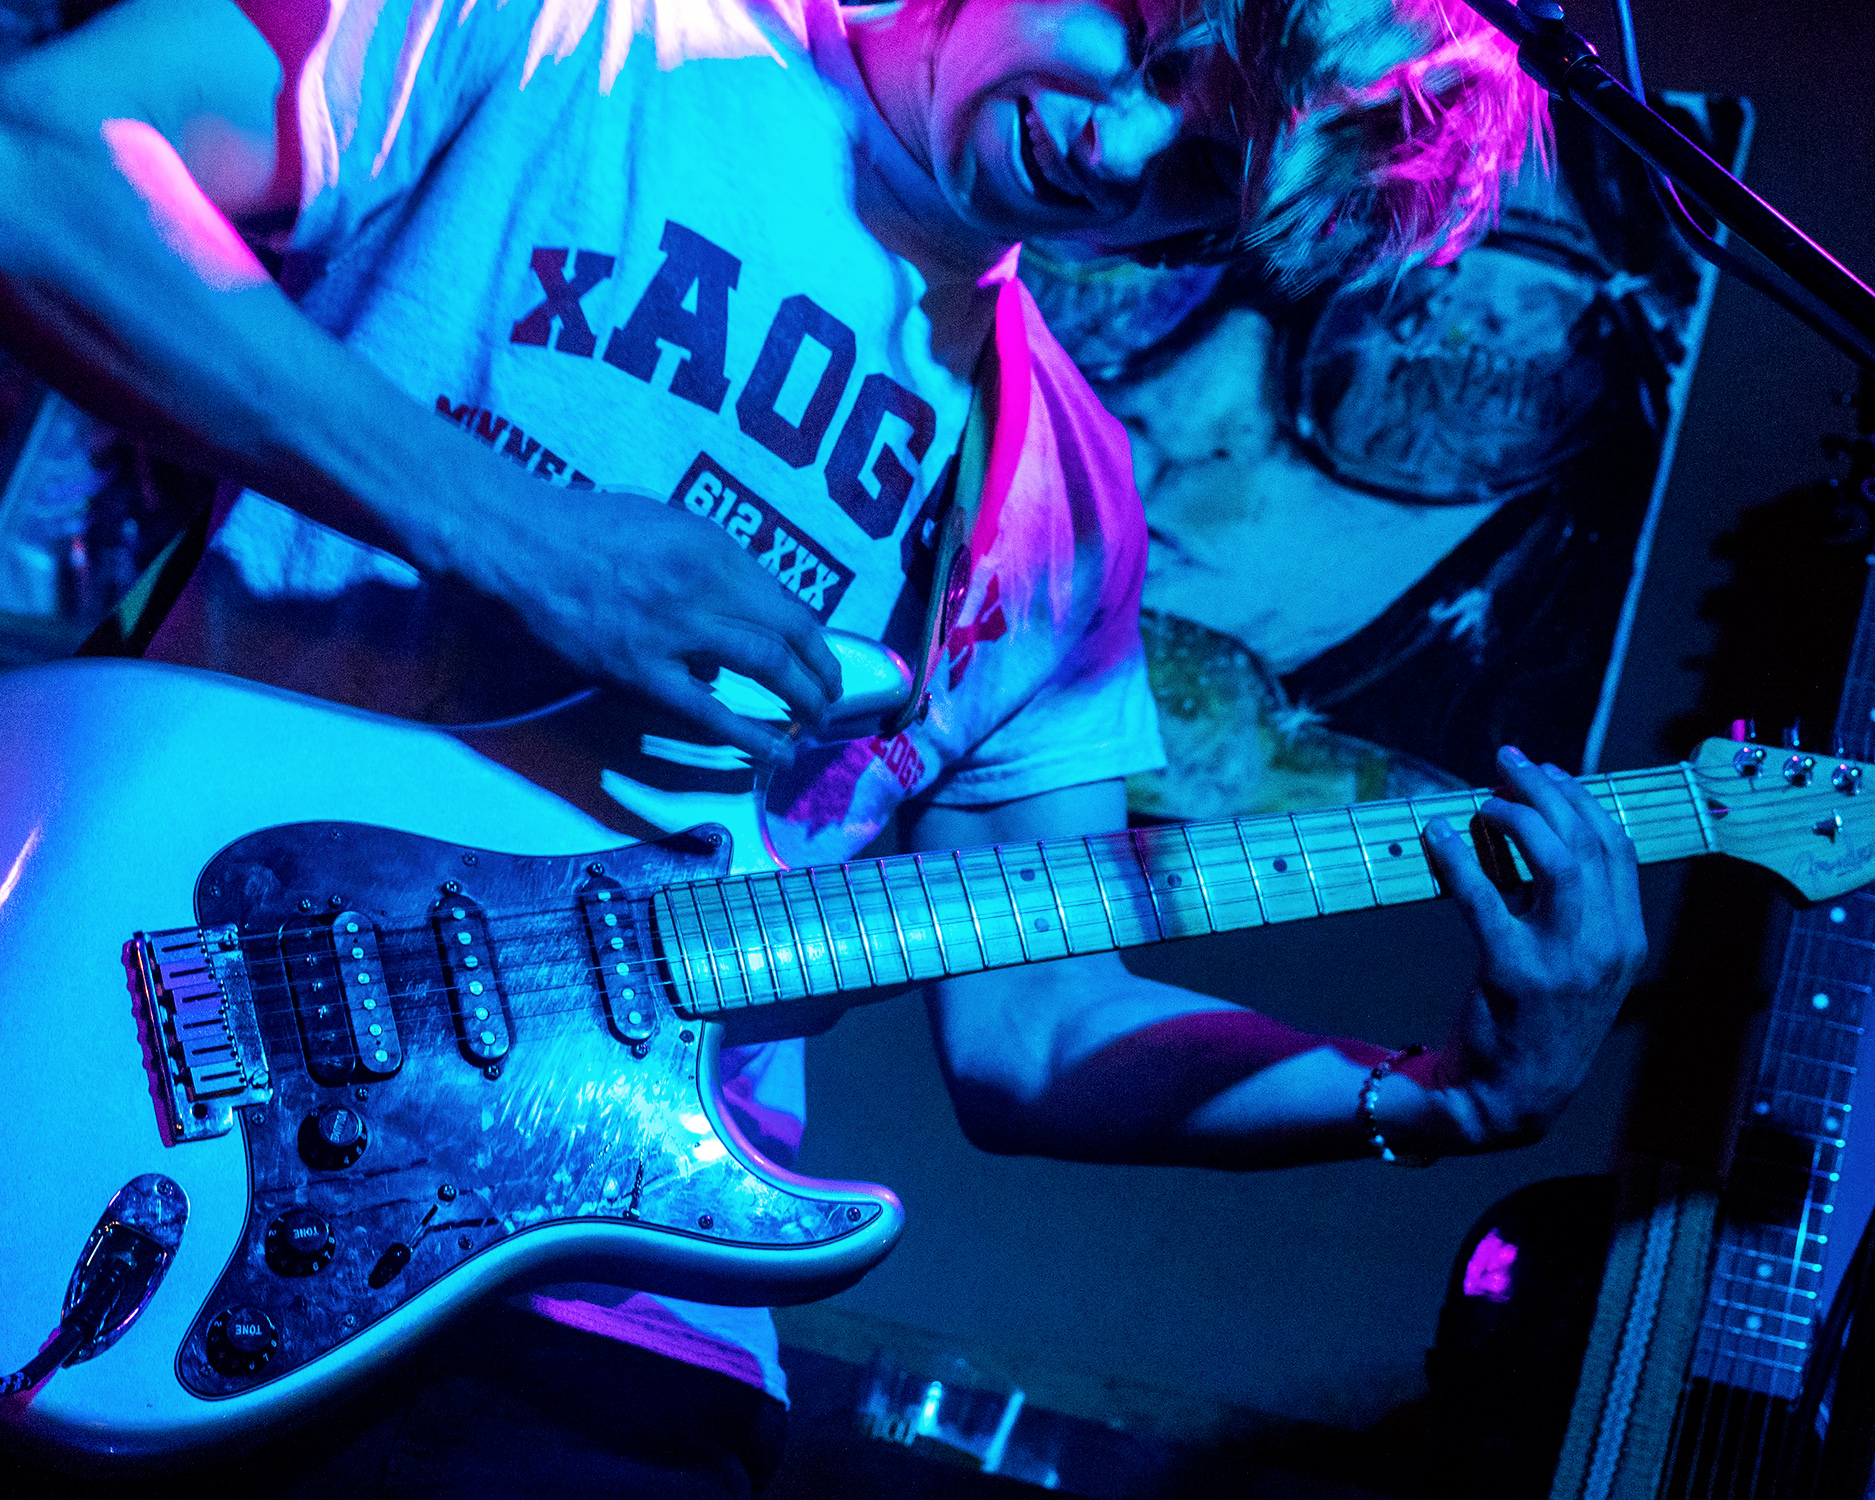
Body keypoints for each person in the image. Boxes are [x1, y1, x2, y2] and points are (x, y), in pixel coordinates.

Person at [0, 0, 1644, 1492]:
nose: (1117, 150)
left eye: (1204, 169)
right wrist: (510, 528)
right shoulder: (580, 38)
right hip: (154, 1096)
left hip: (610, 1325)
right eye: (1145, 53)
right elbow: (34, 162)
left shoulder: (1067, 500)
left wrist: (1440, 1096)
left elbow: (1041, 1028)